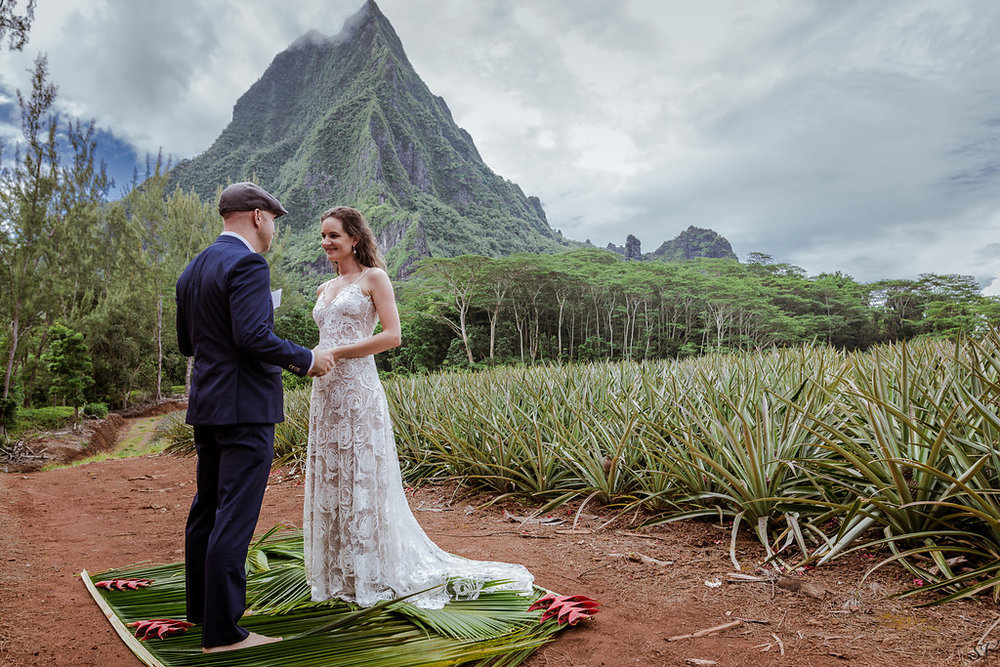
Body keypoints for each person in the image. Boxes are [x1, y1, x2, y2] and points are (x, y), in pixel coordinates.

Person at [303, 206, 533, 609]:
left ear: (354, 238)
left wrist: (337, 353)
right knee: (333, 475)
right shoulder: (324, 288)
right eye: (323, 236)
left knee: (361, 474)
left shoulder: (374, 278)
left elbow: (392, 336)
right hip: (325, 394)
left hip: (358, 389)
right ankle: (340, 574)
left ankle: (373, 570)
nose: (326, 243)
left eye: (333, 236)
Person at [175, 182, 336, 653]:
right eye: (274, 221)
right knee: (235, 516)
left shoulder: (193, 268)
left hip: (207, 405)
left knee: (207, 508)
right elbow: (251, 336)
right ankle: (224, 633)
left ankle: (200, 615)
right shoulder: (247, 263)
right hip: (245, 407)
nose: (273, 231)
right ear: (258, 216)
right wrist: (306, 358)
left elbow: (189, 344)